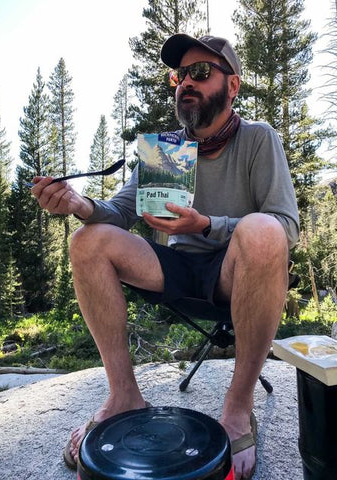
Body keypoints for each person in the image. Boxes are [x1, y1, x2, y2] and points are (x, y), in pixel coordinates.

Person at [31, 34, 299, 480]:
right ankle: (123, 396)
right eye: (180, 76)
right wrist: (80, 205)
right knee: (88, 240)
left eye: (200, 73)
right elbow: (117, 213)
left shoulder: (257, 139)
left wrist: (206, 224)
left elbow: (286, 228)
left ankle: (237, 408)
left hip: (234, 270)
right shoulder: (167, 149)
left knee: (263, 229)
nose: (185, 84)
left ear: (232, 87)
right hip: (172, 269)